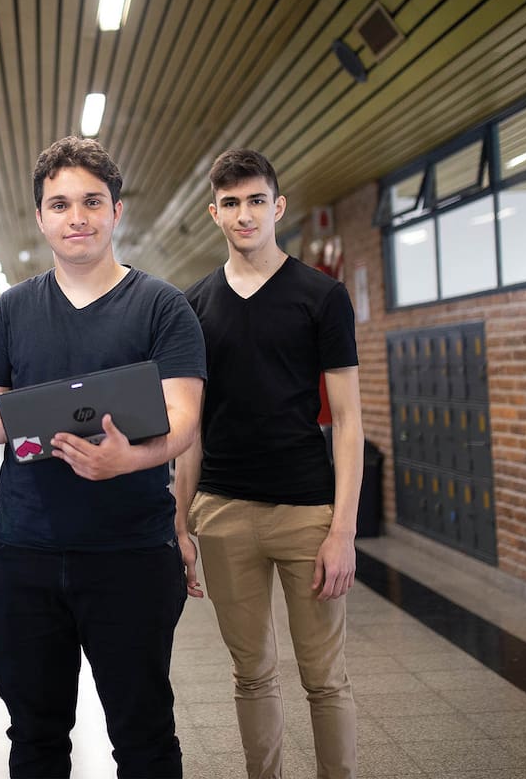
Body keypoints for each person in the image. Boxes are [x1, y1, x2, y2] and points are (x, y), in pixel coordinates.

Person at [0, 136, 206, 779]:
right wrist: (35, 423)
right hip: (23, 558)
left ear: (116, 211)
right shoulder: (14, 309)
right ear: (41, 218)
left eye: (92, 202)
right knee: (36, 738)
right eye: (61, 204)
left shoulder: (162, 306)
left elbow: (184, 418)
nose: (78, 217)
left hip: (130, 555)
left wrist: (126, 460)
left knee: (144, 733)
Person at [174, 149, 363, 779]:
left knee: (324, 679)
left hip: (308, 511)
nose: (245, 213)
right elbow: (191, 428)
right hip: (223, 512)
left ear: (277, 206)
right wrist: (181, 522)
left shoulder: (322, 297)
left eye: (257, 200)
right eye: (231, 203)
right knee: (251, 675)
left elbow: (349, 423)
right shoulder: (194, 305)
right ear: (214, 213)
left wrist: (342, 530)